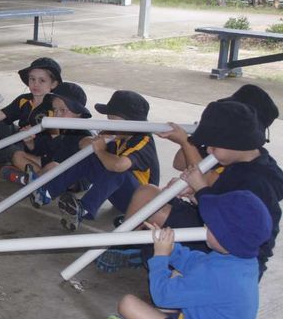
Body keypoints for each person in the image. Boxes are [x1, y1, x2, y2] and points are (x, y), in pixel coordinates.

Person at [112, 100, 283, 278]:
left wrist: (200, 189)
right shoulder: (240, 162)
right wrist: (194, 192)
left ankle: (159, 259)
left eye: (214, 146)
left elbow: (228, 224)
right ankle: (127, 245)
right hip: (211, 221)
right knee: (147, 193)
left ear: (236, 143)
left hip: (230, 252)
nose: (208, 150)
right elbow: (219, 197)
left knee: (171, 289)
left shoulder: (258, 181)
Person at [106, 190, 272, 319]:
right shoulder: (242, 261)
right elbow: (196, 262)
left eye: (211, 224)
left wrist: (161, 255)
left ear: (225, 237)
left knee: (128, 304)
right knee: (178, 292)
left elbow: (161, 295)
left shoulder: (216, 276)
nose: (205, 224)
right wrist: (171, 248)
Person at [30, 90, 160, 231]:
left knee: (117, 169)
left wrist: (100, 149)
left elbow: (119, 165)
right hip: (118, 196)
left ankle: (84, 209)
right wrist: (98, 142)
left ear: (130, 121)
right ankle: (46, 192)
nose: (110, 124)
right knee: (92, 158)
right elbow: (84, 144)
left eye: (113, 120)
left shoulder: (144, 140)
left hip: (141, 203)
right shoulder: (119, 136)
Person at [0, 82, 91, 185]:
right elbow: (43, 150)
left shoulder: (81, 132)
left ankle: (31, 181)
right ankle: (35, 179)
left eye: (63, 110)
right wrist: (30, 143)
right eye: (55, 110)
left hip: (70, 176)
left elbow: (88, 143)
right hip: (48, 164)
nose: (57, 115)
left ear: (79, 112)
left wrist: (56, 136)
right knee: (17, 155)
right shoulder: (57, 126)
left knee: (53, 166)